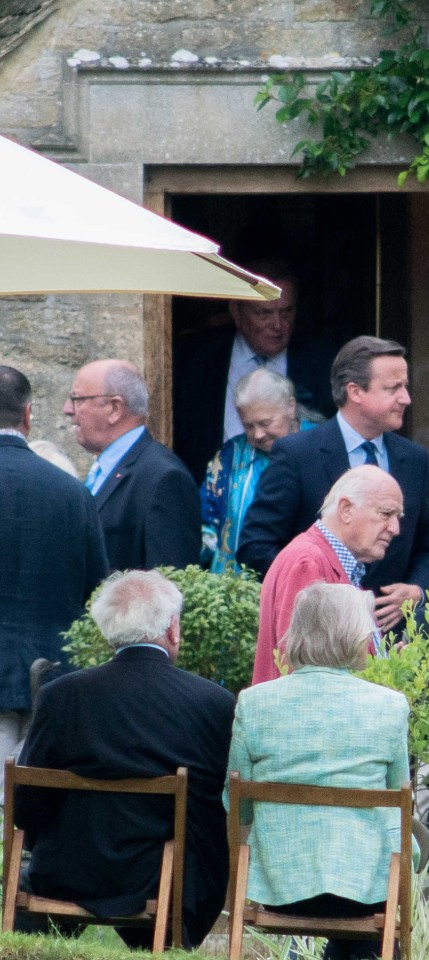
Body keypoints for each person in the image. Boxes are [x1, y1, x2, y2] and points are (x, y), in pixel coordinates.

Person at [16, 569, 235, 950]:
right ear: (173, 629)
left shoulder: (60, 697)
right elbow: (217, 808)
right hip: (166, 881)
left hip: (68, 873)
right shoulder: (213, 704)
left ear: (107, 631)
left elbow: (28, 806)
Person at [225, 581, 412, 960]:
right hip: (365, 893)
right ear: (354, 635)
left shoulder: (254, 703)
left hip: (278, 891)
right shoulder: (389, 706)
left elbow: (238, 807)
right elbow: (399, 802)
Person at [238, 335, 429, 632]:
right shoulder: (297, 454)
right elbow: (255, 546)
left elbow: (428, 549)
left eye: (405, 387)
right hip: (316, 637)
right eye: (393, 388)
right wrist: (322, 591)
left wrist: (416, 590)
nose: (406, 398)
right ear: (355, 392)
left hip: (394, 644)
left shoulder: (415, 459)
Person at [0, 365, 108, 796]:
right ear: (27, 415)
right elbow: (98, 592)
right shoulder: (72, 492)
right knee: (33, 813)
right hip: (55, 678)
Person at [173, 259, 336, 483]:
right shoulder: (193, 358)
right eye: (264, 313)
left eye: (286, 312)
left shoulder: (321, 362)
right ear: (236, 311)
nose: (277, 325)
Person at [252, 465, 403, 684]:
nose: (395, 528)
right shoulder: (307, 562)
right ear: (345, 509)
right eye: (386, 513)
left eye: (397, 516)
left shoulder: (323, 559)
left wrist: (386, 665)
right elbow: (301, 671)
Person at [64, 359, 201, 573]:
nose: (67, 409)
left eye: (77, 399)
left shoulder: (164, 477)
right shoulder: (106, 466)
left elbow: (169, 583)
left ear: (114, 408)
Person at [201, 367, 322, 574]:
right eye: (248, 426)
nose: (257, 434)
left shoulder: (321, 445)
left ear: (290, 407)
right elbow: (207, 519)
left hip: (300, 579)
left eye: (265, 423)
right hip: (232, 591)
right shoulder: (230, 455)